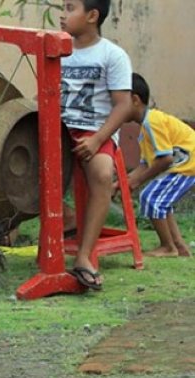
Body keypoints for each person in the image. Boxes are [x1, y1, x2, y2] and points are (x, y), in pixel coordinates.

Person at [60, 0, 132, 291]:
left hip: (95, 131)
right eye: (62, 8)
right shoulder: (56, 50)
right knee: (15, 163)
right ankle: (67, 219)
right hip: (59, 130)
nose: (62, 15)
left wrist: (98, 139)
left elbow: (124, 105)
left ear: (92, 16)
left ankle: (83, 256)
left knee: (103, 175)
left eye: (69, 8)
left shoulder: (112, 55)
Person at [117, 73, 194, 257]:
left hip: (187, 165)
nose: (115, 109)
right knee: (161, 201)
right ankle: (179, 245)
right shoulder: (145, 127)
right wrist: (122, 183)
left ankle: (167, 247)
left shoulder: (153, 122)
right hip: (183, 164)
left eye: (118, 103)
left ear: (135, 100)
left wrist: (137, 182)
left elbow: (165, 159)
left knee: (150, 197)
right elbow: (146, 164)